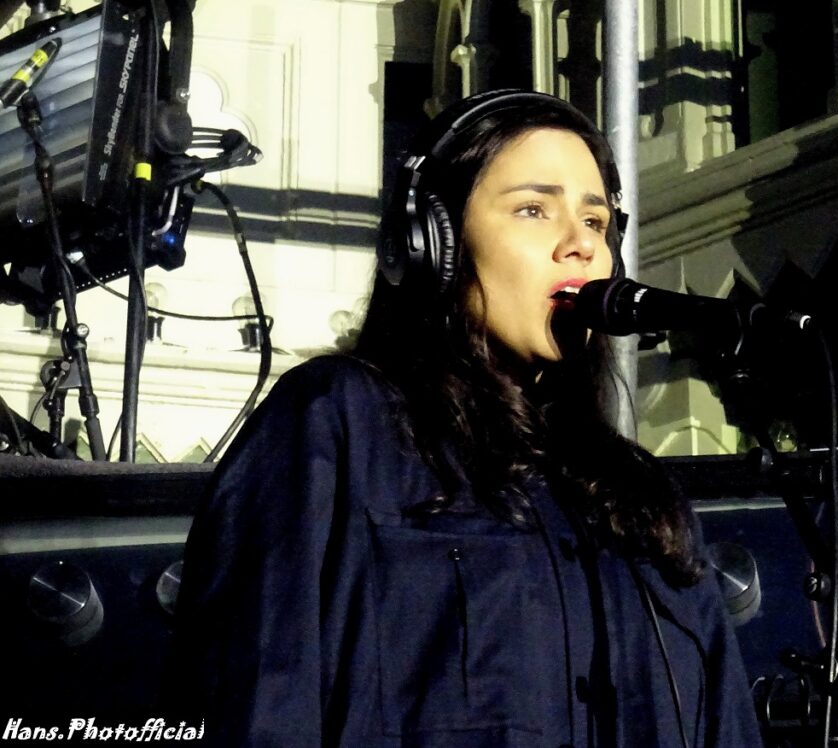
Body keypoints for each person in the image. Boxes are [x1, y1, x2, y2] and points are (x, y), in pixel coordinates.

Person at [168, 89, 763, 747]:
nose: (580, 245)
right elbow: (257, 705)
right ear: (433, 243)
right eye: (534, 210)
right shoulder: (336, 424)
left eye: (596, 222)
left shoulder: (642, 497)